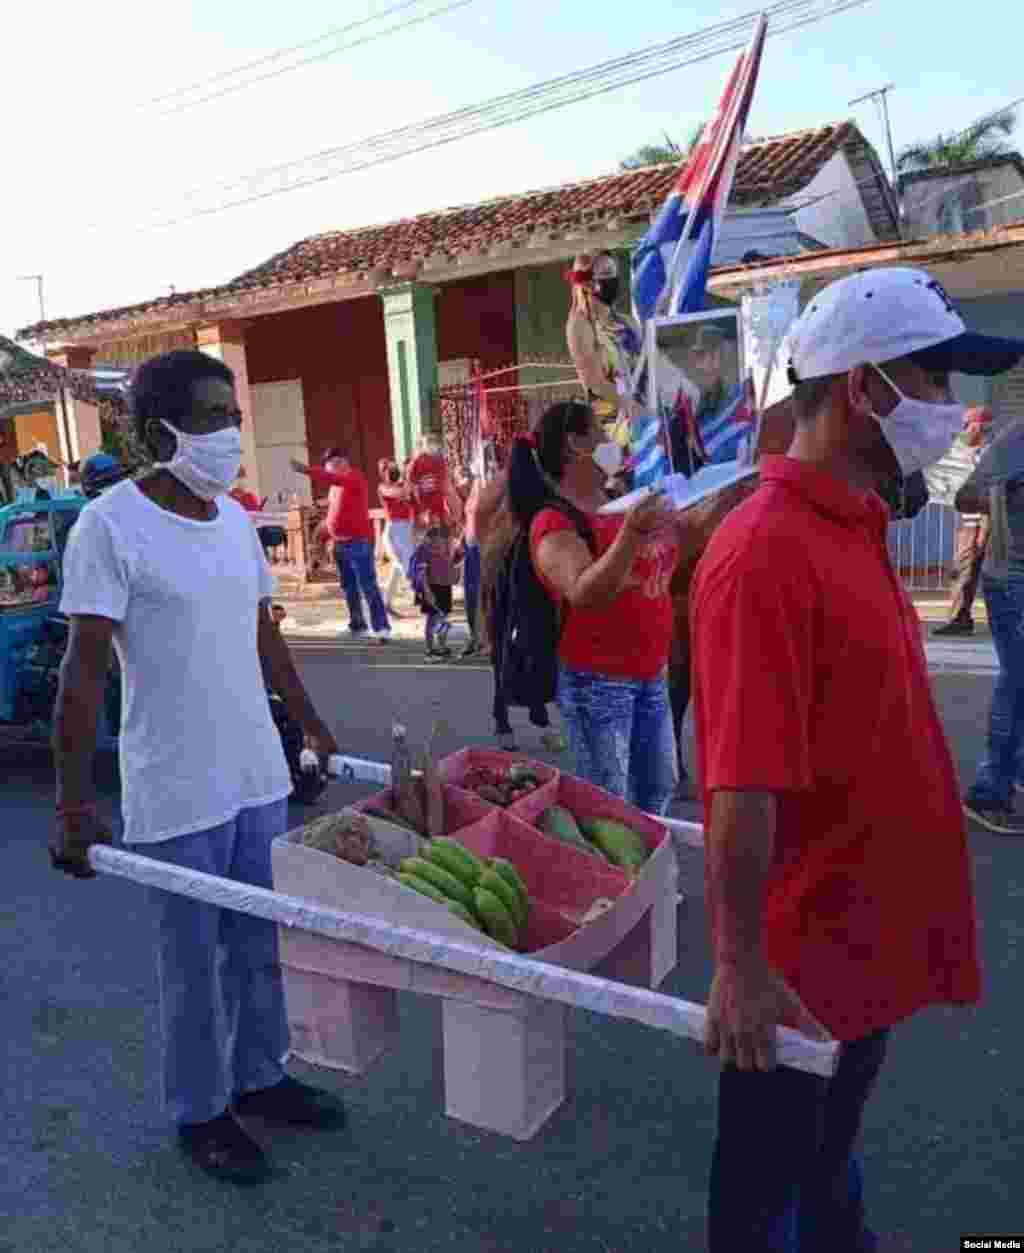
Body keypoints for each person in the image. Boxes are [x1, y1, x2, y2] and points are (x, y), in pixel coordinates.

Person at [688, 267, 1020, 1251]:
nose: (951, 408)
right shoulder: (765, 553)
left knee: (826, 1162)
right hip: (798, 970)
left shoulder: (854, 522)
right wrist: (741, 966)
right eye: (933, 377)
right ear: (857, 388)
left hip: (864, 945)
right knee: (762, 1195)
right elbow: (739, 785)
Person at [51, 349, 344, 1186]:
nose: (231, 433)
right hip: (176, 785)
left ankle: (263, 1076)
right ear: (157, 432)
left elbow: (265, 635)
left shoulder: (232, 519)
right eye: (214, 416)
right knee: (192, 963)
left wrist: (314, 726)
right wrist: (73, 805)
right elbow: (81, 673)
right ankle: (201, 1111)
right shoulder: (110, 526)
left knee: (259, 946)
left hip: (256, 773)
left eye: (233, 415)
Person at [509, 400, 748, 815]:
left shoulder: (622, 500)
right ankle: (622, 880)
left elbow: (679, 543)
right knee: (610, 809)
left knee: (656, 794)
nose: (611, 440)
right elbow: (585, 590)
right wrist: (632, 532)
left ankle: (649, 878)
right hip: (598, 684)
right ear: (575, 444)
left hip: (650, 676)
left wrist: (729, 494)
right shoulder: (553, 521)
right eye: (601, 431)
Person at [958, 411, 1024, 834]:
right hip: (1014, 576)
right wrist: (1006, 502)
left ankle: (1014, 771)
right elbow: (967, 496)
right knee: (1018, 680)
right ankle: (989, 790)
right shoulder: (1016, 439)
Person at [291, 449, 391, 642]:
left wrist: (307, 470)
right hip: (340, 544)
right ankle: (357, 626)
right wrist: (324, 535)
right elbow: (334, 513)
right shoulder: (335, 487)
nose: (327, 470)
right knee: (349, 587)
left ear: (340, 462)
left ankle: (381, 628)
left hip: (358, 543)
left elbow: (333, 479)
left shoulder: (354, 477)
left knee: (368, 586)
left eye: (328, 466)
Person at [565, 251, 642, 458]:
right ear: (589, 283)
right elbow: (593, 381)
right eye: (606, 273)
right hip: (611, 430)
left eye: (614, 272)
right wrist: (633, 407)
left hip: (643, 419)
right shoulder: (579, 325)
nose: (613, 279)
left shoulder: (628, 322)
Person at [933, 406, 993, 637]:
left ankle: (962, 618)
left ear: (980, 426)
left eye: (968, 425)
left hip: (988, 519)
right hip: (969, 519)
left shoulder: (989, 452)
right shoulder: (964, 451)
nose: (964, 430)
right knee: (963, 569)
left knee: (991, 570)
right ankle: (960, 618)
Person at [409, 523, 458, 661]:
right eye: (436, 543)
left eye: (444, 541)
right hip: (431, 587)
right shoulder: (424, 550)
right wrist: (427, 591)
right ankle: (430, 649)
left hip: (444, 587)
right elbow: (422, 573)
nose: (440, 546)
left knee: (443, 618)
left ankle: (442, 647)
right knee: (432, 619)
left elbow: (452, 566)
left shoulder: (448, 547)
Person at [377, 457, 415, 614]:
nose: (391, 471)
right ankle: (426, 599)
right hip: (394, 530)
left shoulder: (402, 484)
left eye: (392, 467)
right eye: (386, 469)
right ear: (382, 473)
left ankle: (386, 603)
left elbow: (409, 493)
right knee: (405, 566)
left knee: (398, 568)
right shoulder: (383, 488)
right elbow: (401, 492)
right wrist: (408, 479)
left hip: (407, 529)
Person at [456, 470, 482, 658]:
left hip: (482, 547)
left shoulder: (485, 486)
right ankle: (474, 637)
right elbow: (468, 520)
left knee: (481, 594)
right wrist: (460, 540)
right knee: (470, 595)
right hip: (470, 545)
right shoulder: (472, 492)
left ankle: (482, 639)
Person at [406, 433, 453, 529]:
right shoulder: (437, 461)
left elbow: (411, 485)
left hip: (430, 507)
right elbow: (411, 483)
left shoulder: (417, 462)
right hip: (430, 507)